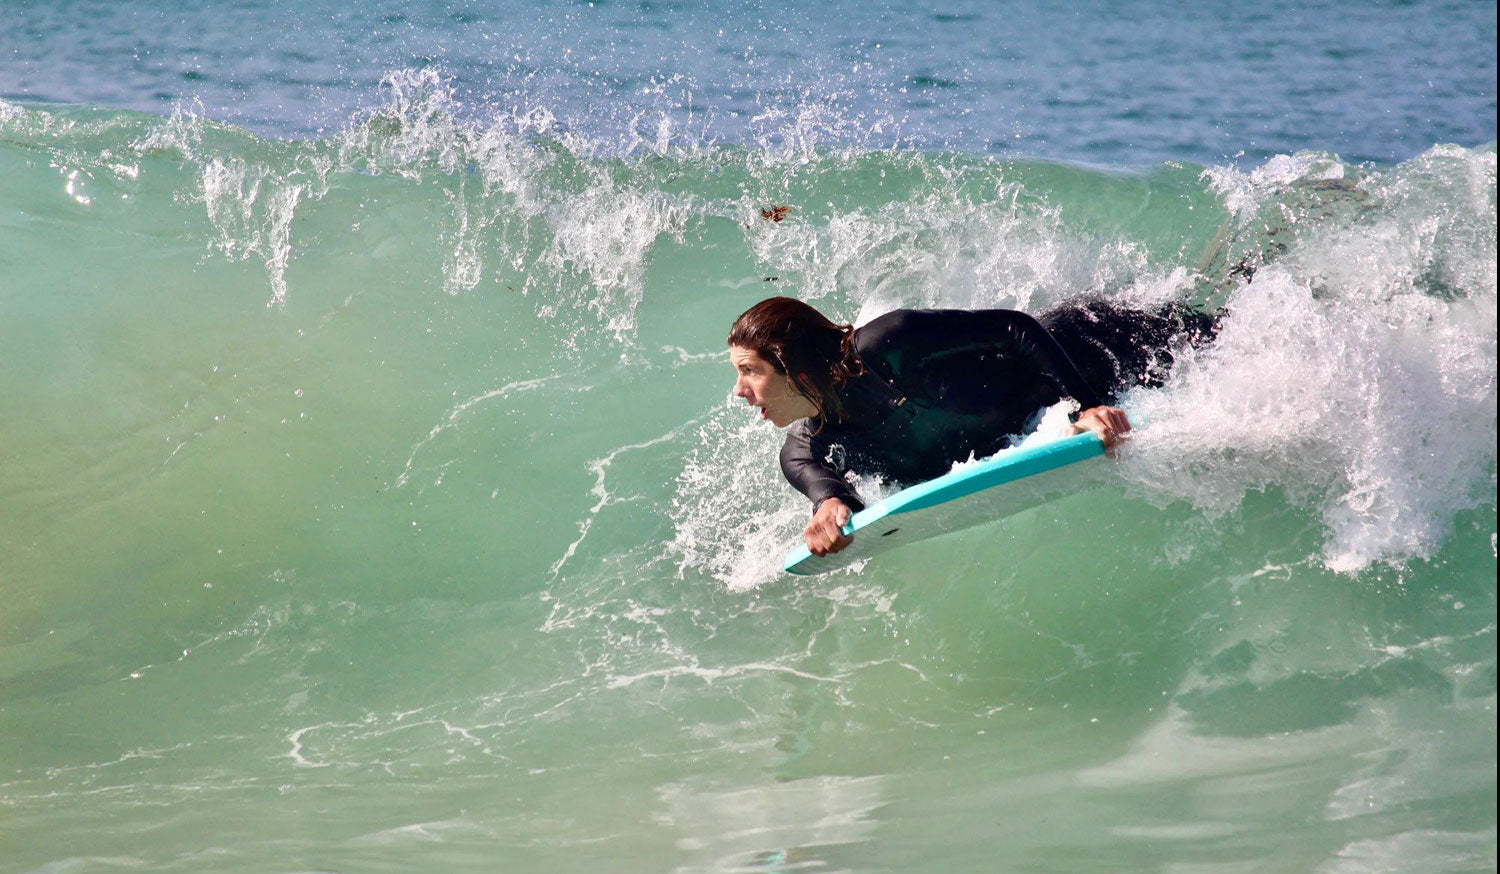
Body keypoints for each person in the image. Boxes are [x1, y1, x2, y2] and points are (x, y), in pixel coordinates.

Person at [727, 296, 1218, 556]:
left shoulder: (891, 343)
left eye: (750, 371)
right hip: (1032, 419)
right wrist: (830, 514)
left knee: (1225, 327)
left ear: (795, 367)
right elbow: (837, 501)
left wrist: (1087, 404)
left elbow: (1016, 328)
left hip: (1097, 346)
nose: (740, 391)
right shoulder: (807, 452)